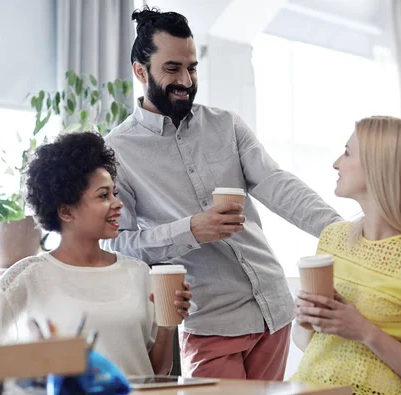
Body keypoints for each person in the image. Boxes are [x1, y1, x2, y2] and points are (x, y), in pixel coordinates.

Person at [102, 6, 341, 380]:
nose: (186, 79)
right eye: (172, 68)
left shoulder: (226, 125)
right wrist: (190, 229)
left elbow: (277, 184)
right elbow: (117, 244)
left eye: (192, 67)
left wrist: (341, 232)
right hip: (209, 320)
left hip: (272, 308)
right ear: (139, 70)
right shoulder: (118, 151)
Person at [0, 131, 192, 377]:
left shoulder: (138, 273)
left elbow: (156, 373)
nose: (118, 204)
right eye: (104, 195)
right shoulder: (28, 276)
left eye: (114, 193)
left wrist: (167, 328)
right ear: (65, 212)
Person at [291, 116, 401, 394]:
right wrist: (305, 318)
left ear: (378, 167)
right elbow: (306, 342)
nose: (336, 163)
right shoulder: (333, 239)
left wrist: (365, 332)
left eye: (347, 153)